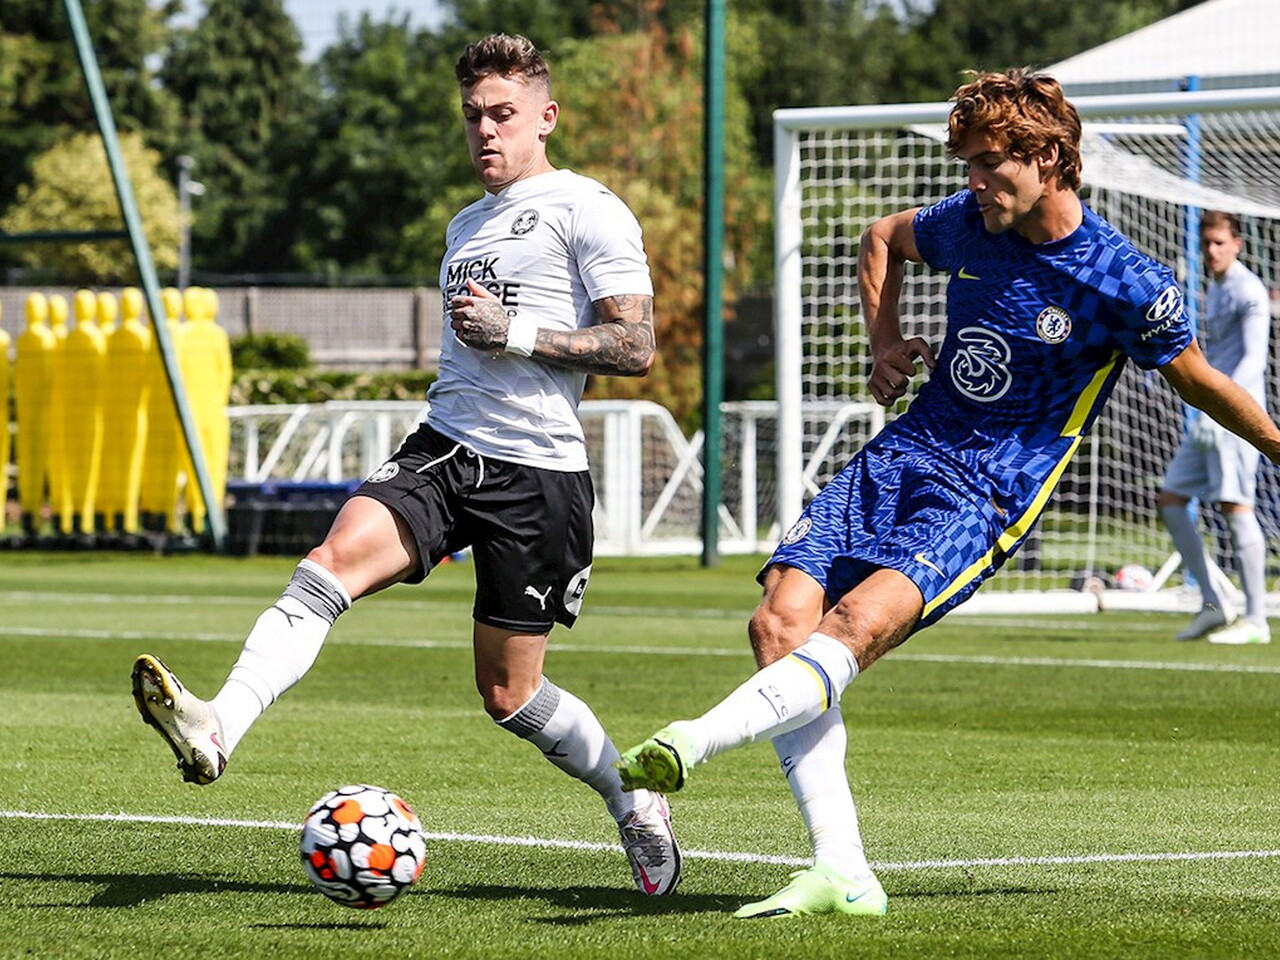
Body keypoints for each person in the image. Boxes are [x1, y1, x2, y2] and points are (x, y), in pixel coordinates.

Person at [616, 68, 1280, 919]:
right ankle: (843, 870)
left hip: (989, 489)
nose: (974, 181)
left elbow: (1200, 382)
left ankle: (691, 743)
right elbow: (882, 236)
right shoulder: (967, 222)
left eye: (989, 163)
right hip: (905, 451)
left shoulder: (1124, 282)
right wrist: (883, 340)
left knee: (854, 626)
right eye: (966, 163)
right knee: (777, 624)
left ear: (1048, 158)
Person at [132, 32, 681, 897]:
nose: (485, 131)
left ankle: (631, 798)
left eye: (503, 114)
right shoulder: (465, 224)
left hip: (537, 475)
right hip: (445, 447)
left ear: (546, 117)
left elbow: (635, 345)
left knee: (509, 695)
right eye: (472, 116)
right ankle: (218, 725)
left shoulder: (589, 208)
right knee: (327, 566)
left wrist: (515, 331)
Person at [1159, 210, 1272, 645]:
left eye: (1219, 243)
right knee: (1171, 498)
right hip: (1211, 415)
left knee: (1235, 505)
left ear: (1237, 245)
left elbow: (1254, 360)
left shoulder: (1249, 290)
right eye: (1206, 243)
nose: (1211, 251)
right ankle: (1213, 603)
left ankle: (1257, 619)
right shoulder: (1215, 287)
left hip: (1237, 416)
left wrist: (1222, 408)